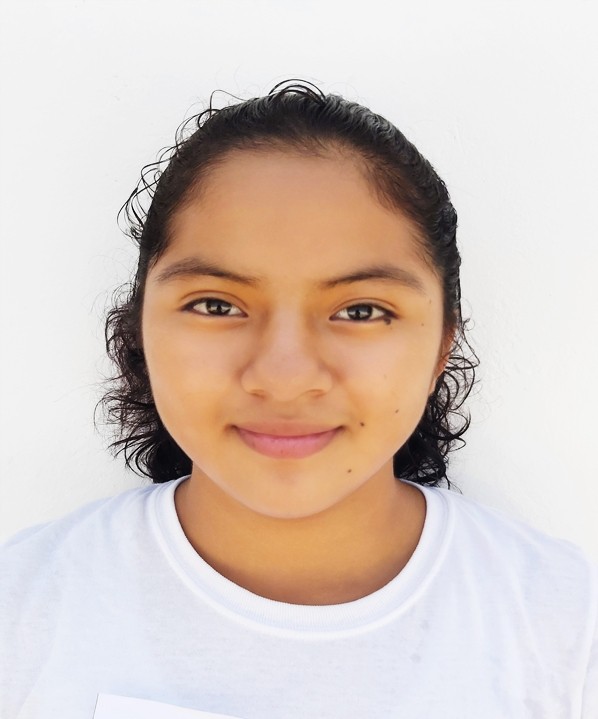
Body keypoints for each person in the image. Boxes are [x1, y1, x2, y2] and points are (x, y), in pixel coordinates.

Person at [1, 79, 596, 719]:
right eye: (216, 305)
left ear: (442, 345)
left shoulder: (569, 629)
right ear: (140, 327)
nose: (284, 378)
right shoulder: (21, 612)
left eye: (361, 311)